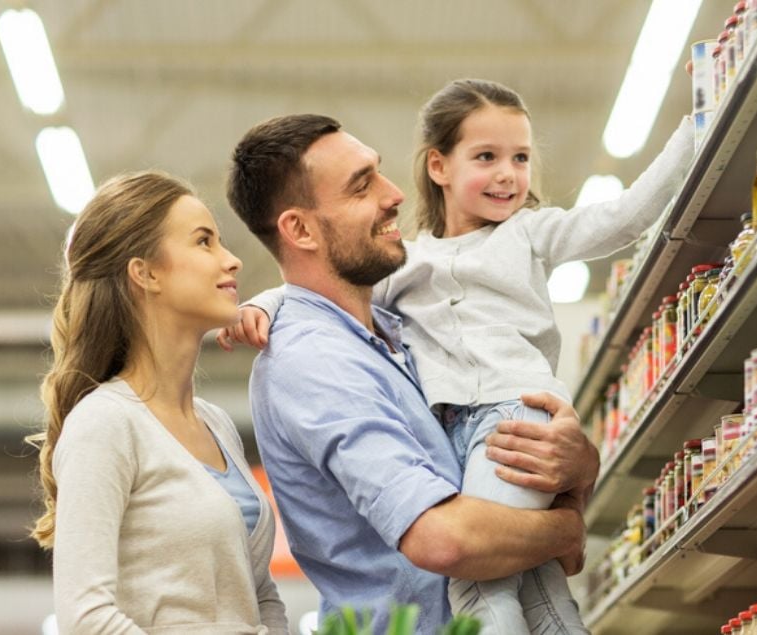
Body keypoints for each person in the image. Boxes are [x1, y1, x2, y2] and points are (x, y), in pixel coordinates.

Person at [225, 79, 694, 633]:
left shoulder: (397, 328)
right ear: (439, 166)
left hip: (510, 417)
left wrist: (580, 466)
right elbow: (445, 542)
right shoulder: (319, 353)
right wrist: (567, 527)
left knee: (536, 595)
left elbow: (621, 217)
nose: (392, 192)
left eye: (520, 157)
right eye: (361, 185)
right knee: (494, 591)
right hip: (421, 592)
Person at [28, 171, 289, 634]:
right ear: (144, 273)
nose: (231, 261)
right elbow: (86, 619)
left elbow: (260, 595)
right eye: (204, 242)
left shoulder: (216, 425)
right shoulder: (105, 423)